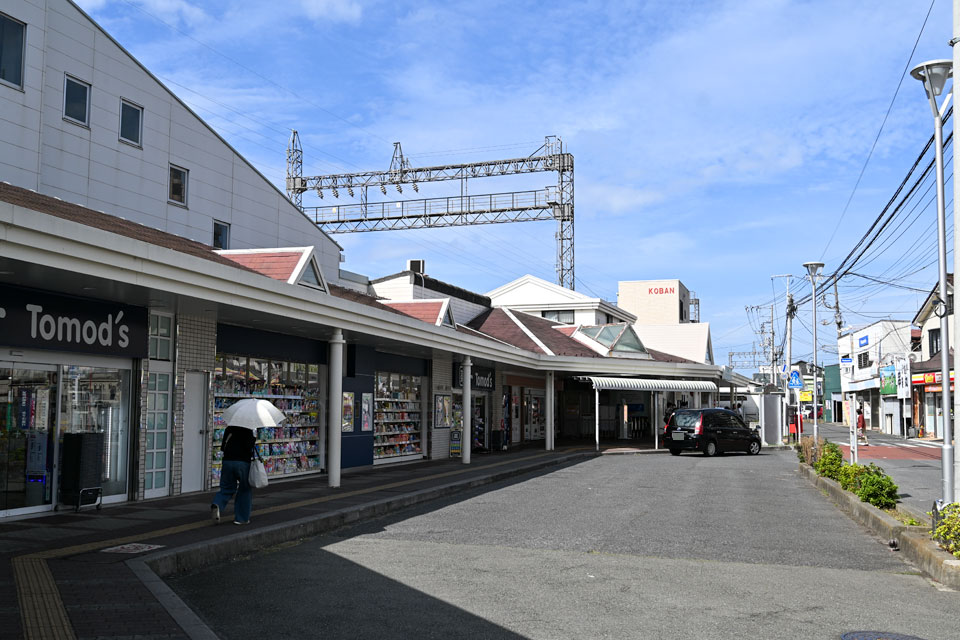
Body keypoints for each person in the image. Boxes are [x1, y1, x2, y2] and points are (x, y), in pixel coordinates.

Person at [211, 425, 257, 525]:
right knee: (244, 489)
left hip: (227, 461)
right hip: (242, 463)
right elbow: (248, 447)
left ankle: (217, 503)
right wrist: (254, 439)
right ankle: (241, 518)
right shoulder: (248, 429)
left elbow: (223, 447)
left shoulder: (229, 429)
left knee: (226, 487)